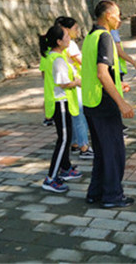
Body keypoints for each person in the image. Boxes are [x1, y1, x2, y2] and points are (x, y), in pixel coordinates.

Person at [81, 0, 135, 208]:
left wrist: (119, 86)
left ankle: (95, 193)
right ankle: (112, 195)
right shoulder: (104, 37)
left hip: (91, 103)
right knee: (114, 152)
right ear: (107, 16)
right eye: (117, 15)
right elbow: (102, 74)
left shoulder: (90, 37)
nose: (120, 19)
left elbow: (101, 74)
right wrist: (121, 103)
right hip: (104, 105)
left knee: (102, 153)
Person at [39, 25, 83, 193]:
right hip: (60, 103)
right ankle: (50, 178)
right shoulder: (56, 59)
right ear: (58, 41)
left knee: (66, 137)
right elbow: (63, 83)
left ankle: (65, 168)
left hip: (62, 102)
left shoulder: (58, 56)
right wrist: (78, 82)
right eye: (66, 36)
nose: (69, 38)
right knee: (64, 139)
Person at [55, 16, 94, 159]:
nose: (78, 31)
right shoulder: (69, 45)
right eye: (75, 28)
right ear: (66, 29)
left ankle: (75, 144)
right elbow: (82, 61)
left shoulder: (56, 46)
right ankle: (84, 146)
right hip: (74, 82)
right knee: (79, 115)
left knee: (73, 115)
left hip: (67, 83)